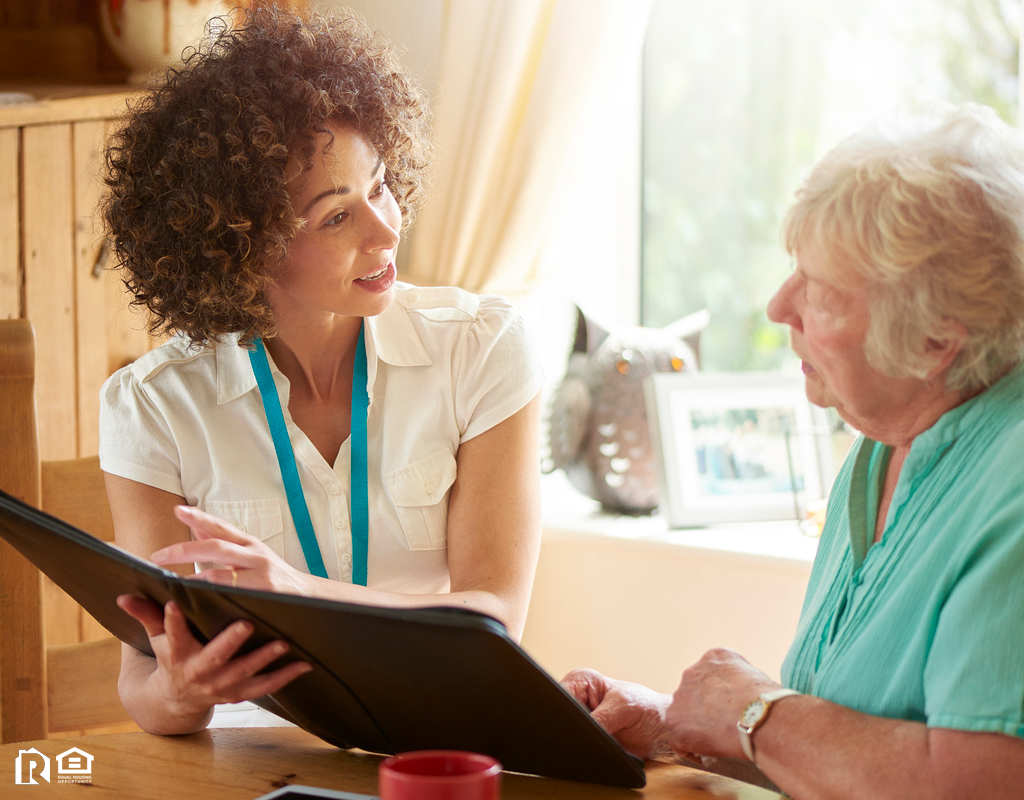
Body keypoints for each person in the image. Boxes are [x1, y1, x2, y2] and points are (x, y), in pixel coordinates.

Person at [98, 6, 543, 736]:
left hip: (440, 747)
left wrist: (296, 594)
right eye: (337, 217)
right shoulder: (149, 407)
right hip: (251, 768)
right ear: (243, 245)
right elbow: (145, 680)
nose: (387, 228)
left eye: (381, 186)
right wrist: (181, 694)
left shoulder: (482, 348)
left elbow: (494, 619)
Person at [562, 102, 1024, 799]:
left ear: (936, 340)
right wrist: (678, 724)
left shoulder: (1011, 480)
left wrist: (754, 712)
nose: (779, 308)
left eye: (822, 291)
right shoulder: (879, 449)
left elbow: (974, 783)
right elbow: (853, 752)